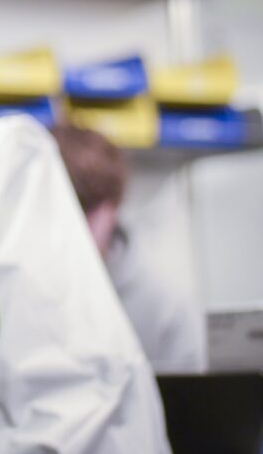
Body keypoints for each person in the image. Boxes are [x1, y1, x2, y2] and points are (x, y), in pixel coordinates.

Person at [51, 124, 205, 372]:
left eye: (83, 207)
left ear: (113, 205)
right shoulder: (9, 295)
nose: (70, 227)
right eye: (56, 209)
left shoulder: (165, 308)